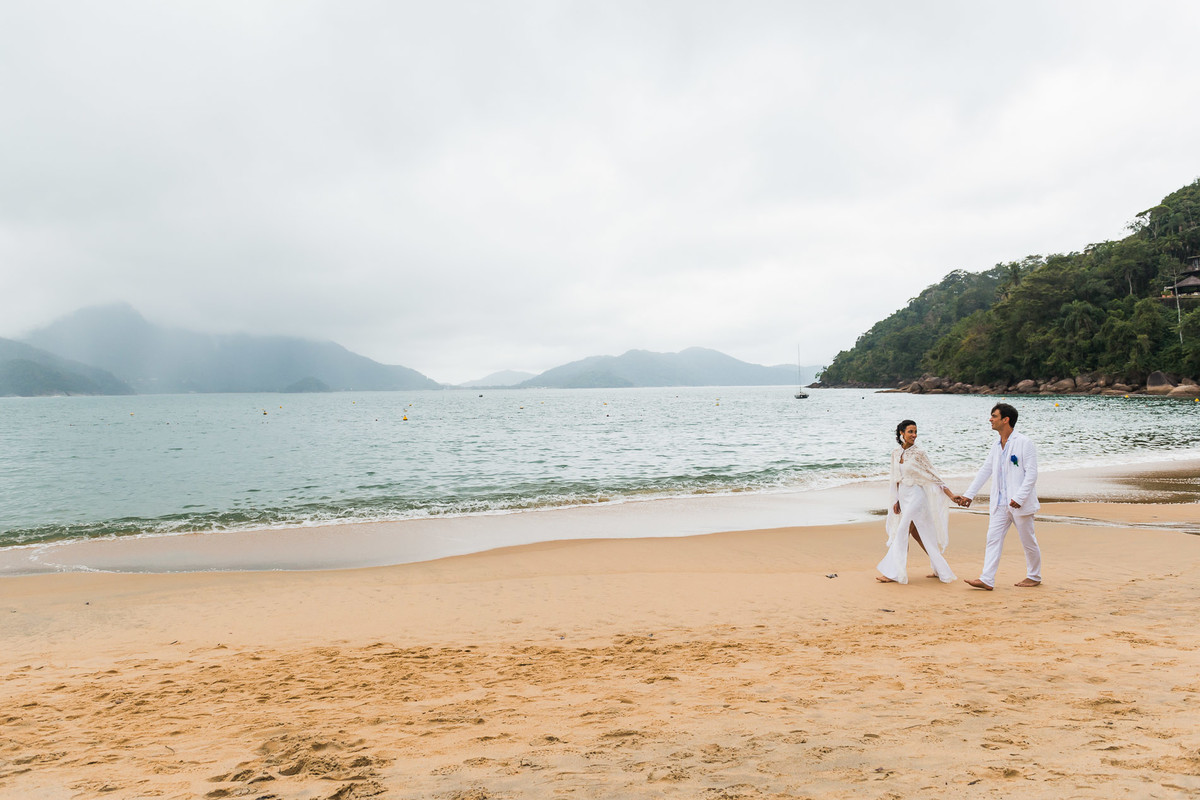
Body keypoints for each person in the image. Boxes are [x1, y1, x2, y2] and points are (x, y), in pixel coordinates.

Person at [959, 403, 1043, 590]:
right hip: (999, 503)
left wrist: (1019, 497)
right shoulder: (996, 446)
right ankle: (987, 579)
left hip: (1019, 503)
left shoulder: (1024, 442)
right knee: (993, 538)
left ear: (1006, 420)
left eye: (994, 416)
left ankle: (1034, 575)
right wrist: (969, 495)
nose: (990, 419)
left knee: (1028, 540)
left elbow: (1032, 474)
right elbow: (985, 470)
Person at [876, 419, 961, 584]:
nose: (914, 435)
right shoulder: (895, 453)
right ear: (901, 433)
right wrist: (897, 500)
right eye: (910, 432)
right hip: (904, 496)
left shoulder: (919, 453)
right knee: (919, 535)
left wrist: (951, 495)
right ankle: (940, 568)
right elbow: (896, 479)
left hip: (917, 497)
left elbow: (934, 475)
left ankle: (893, 573)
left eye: (915, 432)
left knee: (902, 531)